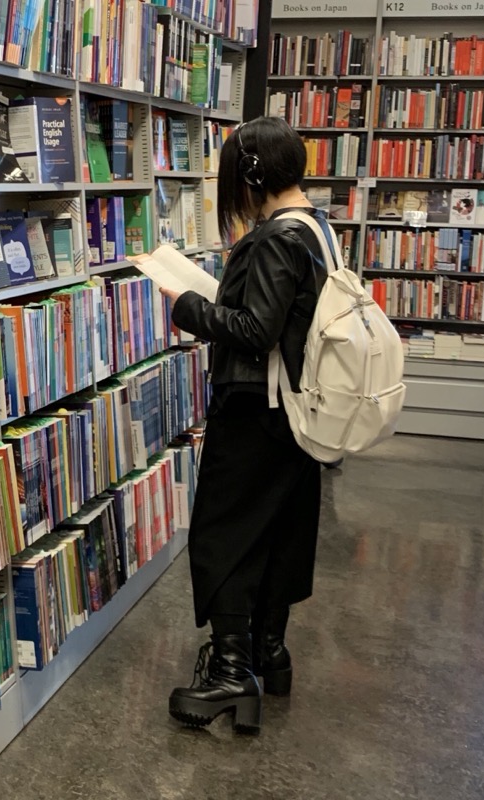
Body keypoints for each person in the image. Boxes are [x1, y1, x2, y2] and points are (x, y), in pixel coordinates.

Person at [160, 117, 332, 734]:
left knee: (223, 533)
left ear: (252, 175)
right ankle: (268, 653)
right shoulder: (316, 228)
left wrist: (190, 307)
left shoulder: (274, 239)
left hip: (256, 409)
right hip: (297, 410)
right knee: (278, 529)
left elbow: (257, 331)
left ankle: (232, 670)